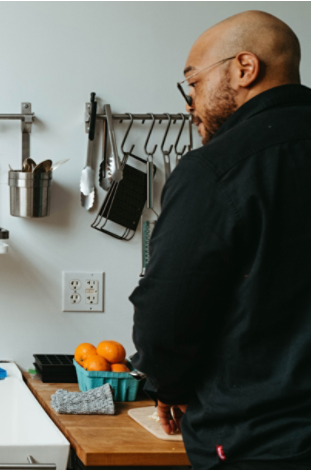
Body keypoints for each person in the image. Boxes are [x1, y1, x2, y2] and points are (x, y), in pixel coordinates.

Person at [130, 10, 311, 470]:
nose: (190, 103)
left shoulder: (216, 168)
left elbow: (167, 313)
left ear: (244, 69)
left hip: (261, 443)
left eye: (193, 83)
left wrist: (166, 385)